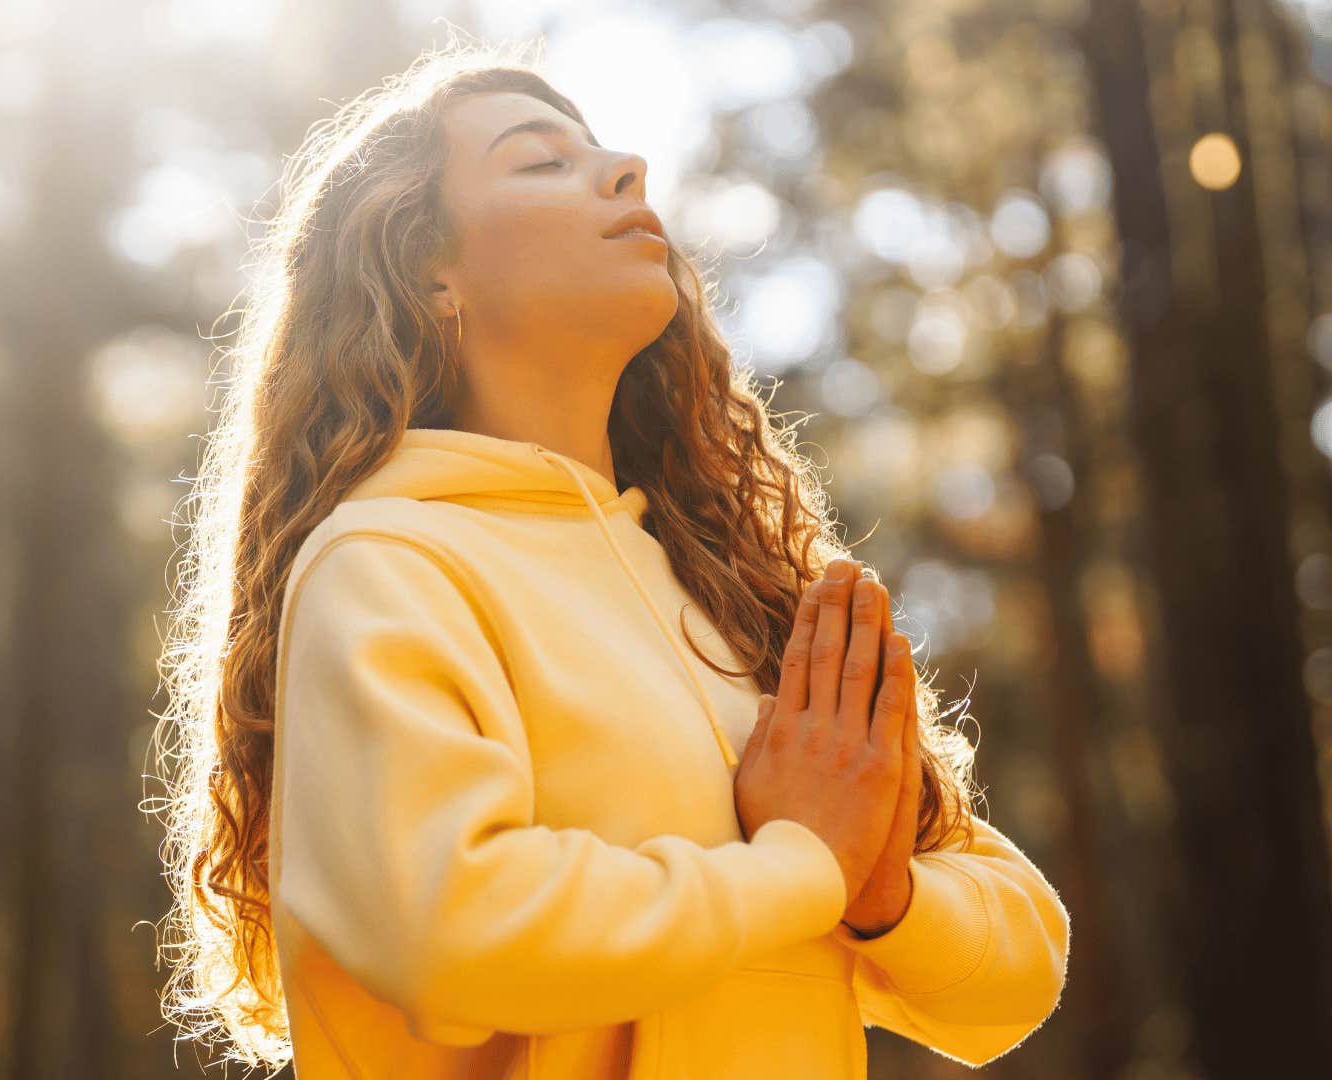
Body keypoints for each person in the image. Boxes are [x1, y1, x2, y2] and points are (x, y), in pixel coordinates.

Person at [151, 40, 1069, 1079]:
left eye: (604, 152)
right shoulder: (387, 560)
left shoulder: (734, 587)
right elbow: (455, 927)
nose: (627, 167)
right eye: (540, 161)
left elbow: (1018, 965)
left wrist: (879, 894)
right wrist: (805, 865)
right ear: (425, 271)